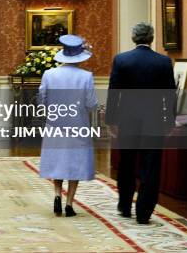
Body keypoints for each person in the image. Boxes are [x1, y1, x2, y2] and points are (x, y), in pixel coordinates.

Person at [105, 22, 176, 225]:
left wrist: (111, 120)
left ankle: (125, 206)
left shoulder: (121, 60)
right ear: (152, 38)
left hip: (127, 120)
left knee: (126, 164)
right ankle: (144, 213)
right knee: (151, 166)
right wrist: (169, 121)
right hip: (154, 120)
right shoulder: (163, 62)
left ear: (133, 38)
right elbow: (170, 95)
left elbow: (113, 93)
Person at [39, 35, 97, 217]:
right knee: (75, 163)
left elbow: (42, 101)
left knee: (58, 161)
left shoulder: (49, 74)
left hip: (55, 123)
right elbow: (91, 104)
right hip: (78, 124)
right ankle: (69, 204)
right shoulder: (86, 76)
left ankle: (57, 194)